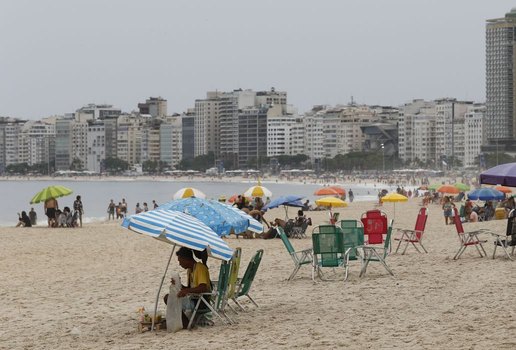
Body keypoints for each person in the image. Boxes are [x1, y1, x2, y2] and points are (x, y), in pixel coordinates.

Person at [166, 247, 212, 329]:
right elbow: (191, 288)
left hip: (201, 301)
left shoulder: (200, 268)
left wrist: (186, 291)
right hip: (195, 299)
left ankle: (186, 323)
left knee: (168, 298)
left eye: (180, 261)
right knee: (170, 297)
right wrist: (179, 284)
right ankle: (183, 321)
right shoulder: (190, 270)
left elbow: (203, 288)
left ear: (186, 259)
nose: (180, 264)